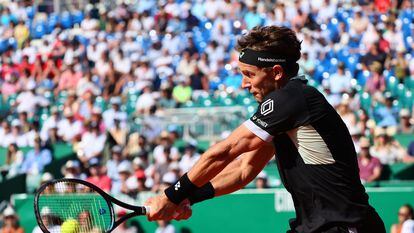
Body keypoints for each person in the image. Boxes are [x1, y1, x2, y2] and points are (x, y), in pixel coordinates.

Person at [144, 26, 386, 233]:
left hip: (345, 226)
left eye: (249, 74)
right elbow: (242, 170)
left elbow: (226, 151)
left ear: (276, 73)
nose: (243, 83)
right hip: (320, 226)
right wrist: (189, 197)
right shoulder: (288, 110)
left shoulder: (293, 98)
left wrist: (170, 196)